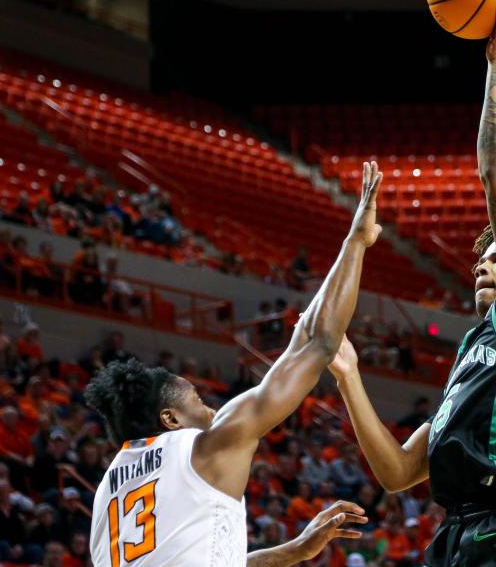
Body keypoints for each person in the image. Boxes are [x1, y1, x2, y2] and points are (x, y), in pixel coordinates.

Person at [329, 0, 496, 567]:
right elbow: (399, 472)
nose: (483, 263)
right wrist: (349, 376)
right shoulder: (473, 354)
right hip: (456, 533)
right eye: (481, 258)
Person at [85, 162, 384, 566]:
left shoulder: (107, 495)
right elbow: (317, 342)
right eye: (197, 400)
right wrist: (356, 241)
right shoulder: (204, 446)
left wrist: (295, 550)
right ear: (171, 419)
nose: (212, 409)